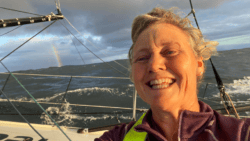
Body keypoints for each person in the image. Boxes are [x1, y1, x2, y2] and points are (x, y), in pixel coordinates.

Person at [95, 7, 250, 141]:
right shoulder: (117, 138)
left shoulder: (242, 133)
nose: (154, 65)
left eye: (170, 51)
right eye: (142, 58)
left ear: (198, 64)